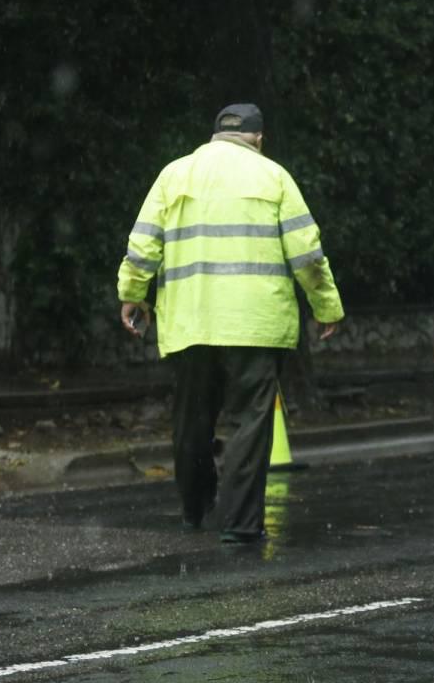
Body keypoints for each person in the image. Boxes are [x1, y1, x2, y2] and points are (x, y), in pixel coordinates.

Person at [117, 103, 344, 544]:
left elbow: (142, 244)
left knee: (192, 421)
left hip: (189, 324)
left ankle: (194, 509)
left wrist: (132, 294)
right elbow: (307, 255)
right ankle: (239, 524)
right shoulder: (274, 177)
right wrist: (326, 306)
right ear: (259, 138)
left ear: (215, 135)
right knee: (249, 423)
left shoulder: (174, 175)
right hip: (255, 327)